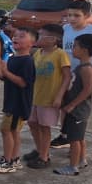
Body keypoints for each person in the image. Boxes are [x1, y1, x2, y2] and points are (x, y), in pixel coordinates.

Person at [50, 0, 92, 149]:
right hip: (66, 74)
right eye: (69, 15)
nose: (72, 19)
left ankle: (76, 140)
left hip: (83, 75)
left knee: (78, 109)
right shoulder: (66, 28)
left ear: (87, 15)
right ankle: (64, 136)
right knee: (65, 105)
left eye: (76, 15)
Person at [0, 28, 36, 174]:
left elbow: (23, 83)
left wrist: (6, 72)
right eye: (15, 36)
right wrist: (1, 73)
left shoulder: (27, 61)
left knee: (6, 130)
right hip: (11, 101)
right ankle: (15, 158)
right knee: (14, 131)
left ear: (31, 43)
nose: (16, 38)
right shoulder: (14, 58)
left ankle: (8, 161)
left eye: (22, 36)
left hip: (18, 104)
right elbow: (9, 79)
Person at [25, 24, 71, 170]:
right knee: (32, 123)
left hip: (49, 99)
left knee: (45, 127)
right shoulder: (38, 53)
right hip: (35, 97)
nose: (37, 38)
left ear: (53, 39)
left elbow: (67, 77)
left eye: (41, 35)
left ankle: (44, 157)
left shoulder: (60, 55)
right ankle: (40, 150)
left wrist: (59, 96)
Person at [54, 32, 92, 176]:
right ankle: (81, 160)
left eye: (74, 46)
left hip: (79, 110)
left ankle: (72, 167)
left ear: (85, 50)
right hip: (77, 110)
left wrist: (72, 105)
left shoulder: (86, 69)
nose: (72, 49)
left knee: (74, 140)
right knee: (79, 137)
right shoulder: (81, 66)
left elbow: (87, 90)